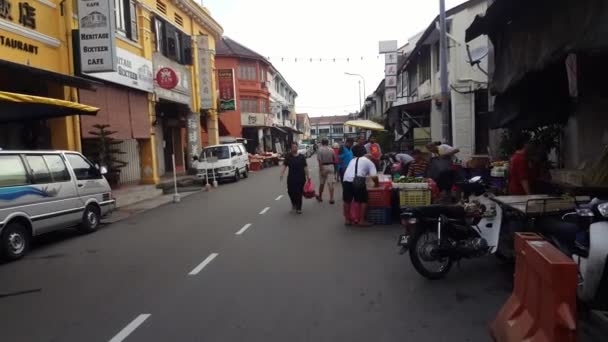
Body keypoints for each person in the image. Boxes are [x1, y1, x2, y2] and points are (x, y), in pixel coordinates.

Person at [343, 145, 379, 226]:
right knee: (363, 200)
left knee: (347, 200)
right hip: (358, 180)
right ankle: (361, 221)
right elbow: (374, 176)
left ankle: (347, 220)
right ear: (370, 158)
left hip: (346, 179)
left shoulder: (353, 160)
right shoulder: (369, 162)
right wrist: (377, 185)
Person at [280, 142, 311, 214]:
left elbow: (305, 167)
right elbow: (284, 166)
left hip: (301, 178)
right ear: (291, 148)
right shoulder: (288, 157)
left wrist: (308, 176)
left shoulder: (302, 157)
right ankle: (294, 203)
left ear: (297, 148)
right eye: (293, 147)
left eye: (295, 147)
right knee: (290, 192)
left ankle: (299, 208)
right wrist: (281, 174)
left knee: (299, 193)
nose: (294, 148)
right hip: (291, 178)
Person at [316, 139, 337, 204]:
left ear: (322, 143)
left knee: (322, 183)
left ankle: (320, 197)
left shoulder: (320, 150)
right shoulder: (331, 149)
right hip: (331, 166)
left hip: (323, 166)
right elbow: (334, 159)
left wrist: (321, 170)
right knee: (331, 183)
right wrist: (335, 170)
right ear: (328, 143)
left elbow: (319, 161)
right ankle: (331, 198)